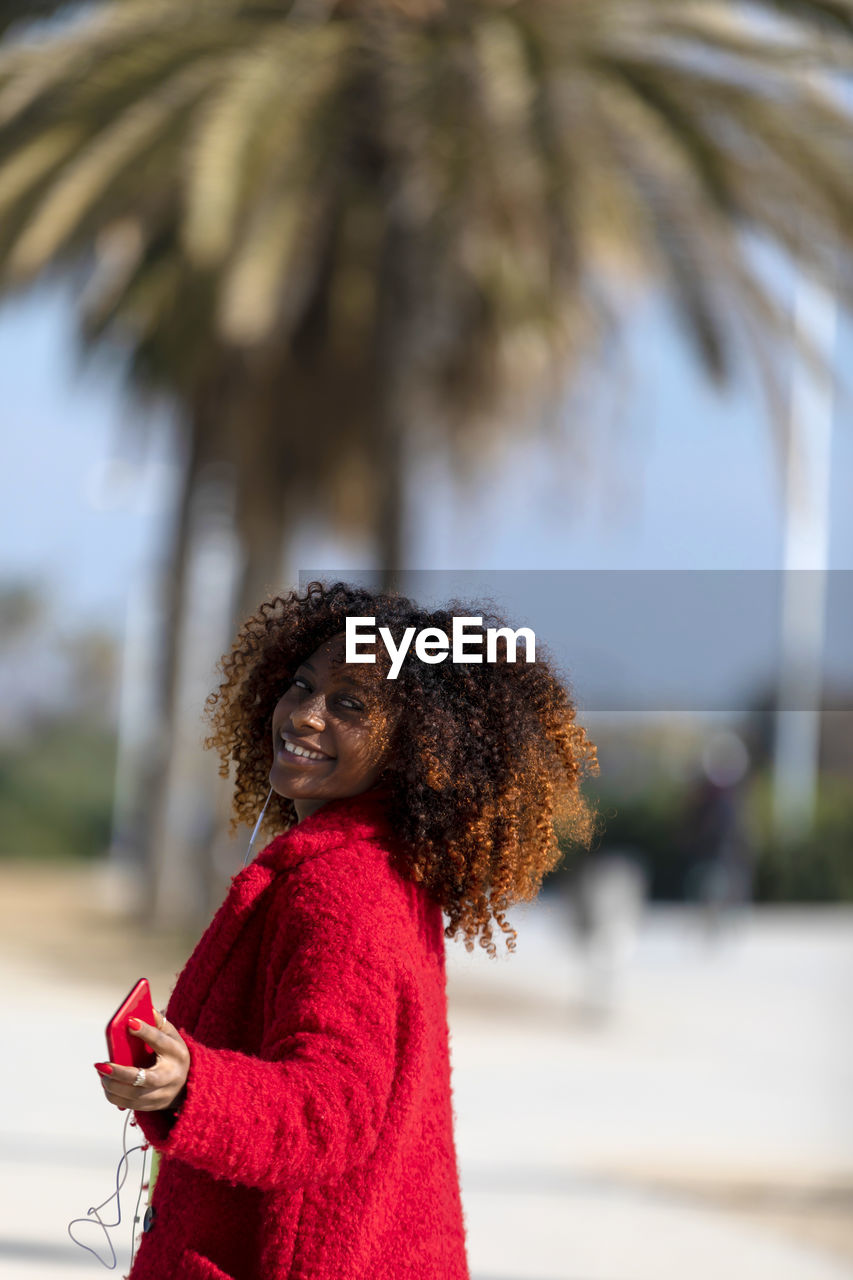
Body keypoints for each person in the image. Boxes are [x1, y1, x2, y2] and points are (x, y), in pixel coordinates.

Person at [93, 580, 599, 1280]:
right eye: (301, 686)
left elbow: (331, 1110)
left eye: (349, 704)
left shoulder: (342, 888)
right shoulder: (373, 866)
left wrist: (194, 1087)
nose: (303, 715)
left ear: (415, 745)